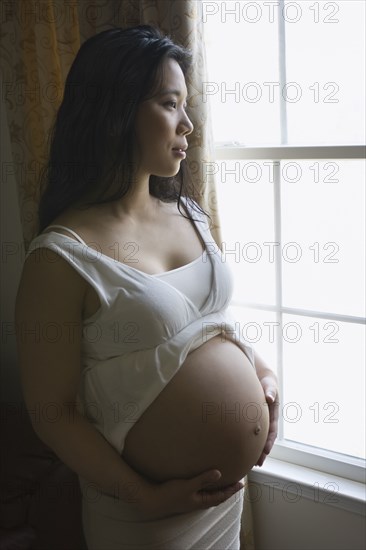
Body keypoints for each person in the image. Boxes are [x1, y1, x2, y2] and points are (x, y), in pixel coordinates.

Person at [15, 25, 279, 550]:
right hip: (146, 520)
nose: (189, 124)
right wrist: (143, 496)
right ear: (116, 111)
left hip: (223, 506)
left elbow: (212, 325)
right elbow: (53, 415)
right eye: (169, 103)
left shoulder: (188, 213)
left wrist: (262, 372)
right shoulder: (61, 255)